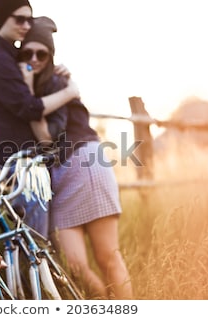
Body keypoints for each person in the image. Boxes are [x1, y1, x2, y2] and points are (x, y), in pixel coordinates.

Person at [18, 16, 133, 299]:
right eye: (27, 53)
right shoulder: (37, 83)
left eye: (41, 53)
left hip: (85, 166)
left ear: (51, 54)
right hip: (60, 177)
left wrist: (29, 92)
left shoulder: (57, 83)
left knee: (107, 257)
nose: (34, 58)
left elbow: (45, 136)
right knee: (75, 266)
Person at [0, 0, 79, 238]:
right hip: (16, 162)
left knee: (32, 242)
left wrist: (56, 69)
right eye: (19, 19)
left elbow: (35, 76)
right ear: (3, 18)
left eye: (29, 19)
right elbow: (30, 108)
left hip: (27, 162)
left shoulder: (12, 54)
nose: (26, 25)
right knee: (35, 242)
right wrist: (69, 92)